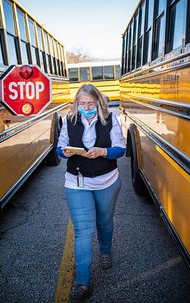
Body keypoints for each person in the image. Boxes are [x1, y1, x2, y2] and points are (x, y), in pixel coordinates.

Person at [56, 83, 126, 300]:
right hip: (77, 182)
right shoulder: (69, 120)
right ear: (77, 103)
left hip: (107, 181)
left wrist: (103, 151)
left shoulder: (110, 118)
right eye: (82, 103)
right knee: (83, 231)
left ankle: (105, 252)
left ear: (98, 103)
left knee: (104, 222)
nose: (86, 107)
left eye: (90, 104)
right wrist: (66, 152)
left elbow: (121, 149)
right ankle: (83, 282)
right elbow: (59, 148)